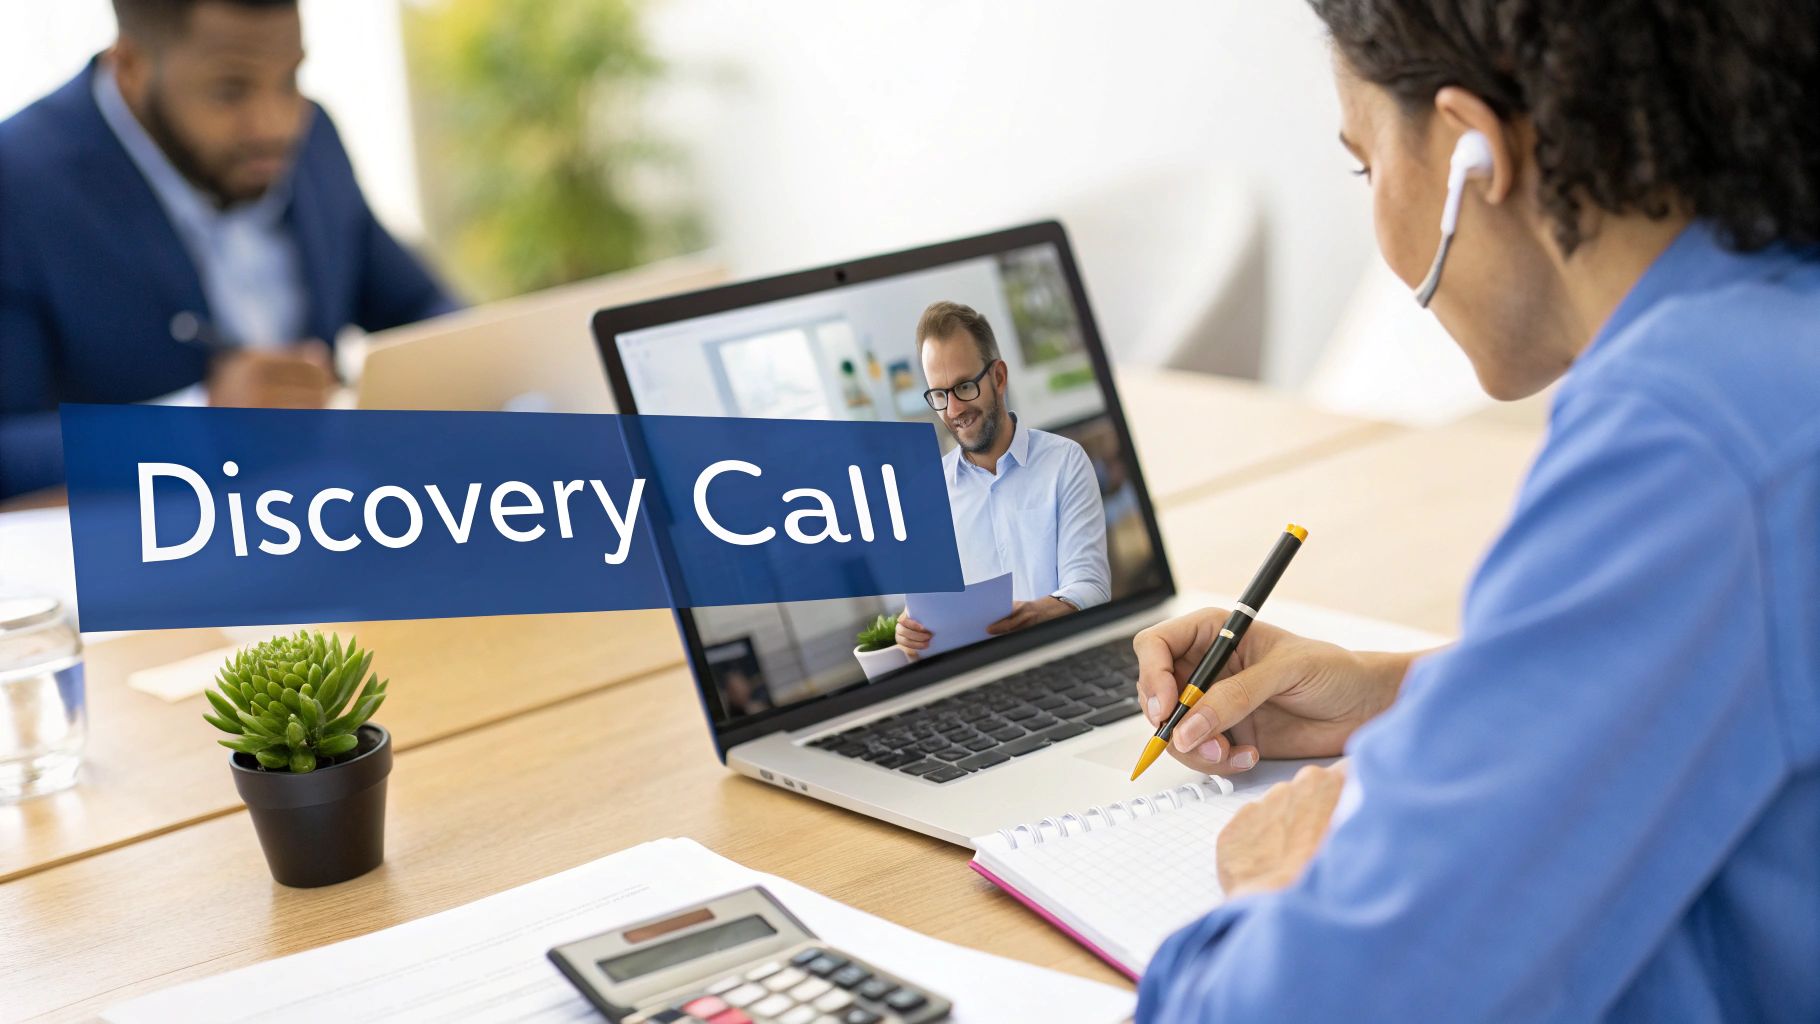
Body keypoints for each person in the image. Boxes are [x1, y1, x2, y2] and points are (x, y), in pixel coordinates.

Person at [1133, 2, 1819, 1021]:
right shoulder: (1773, 330)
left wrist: (1280, 885)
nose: (1378, 225)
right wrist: (1401, 697)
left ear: (1468, 153)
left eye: (1366, 167)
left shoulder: (1685, 437)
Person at [0, 0, 458, 500]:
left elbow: (420, 309)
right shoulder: (18, 181)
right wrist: (201, 422)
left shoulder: (314, 136)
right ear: (130, 67)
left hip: (347, 523)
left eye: (289, 80)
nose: (275, 125)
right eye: (229, 91)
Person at [897, 300, 1110, 652]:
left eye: (965, 387)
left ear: (998, 377)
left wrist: (1032, 615)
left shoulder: (1064, 462)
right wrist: (910, 632)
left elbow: (1091, 589)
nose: (953, 410)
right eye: (939, 394)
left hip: (1064, 658)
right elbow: (925, 609)